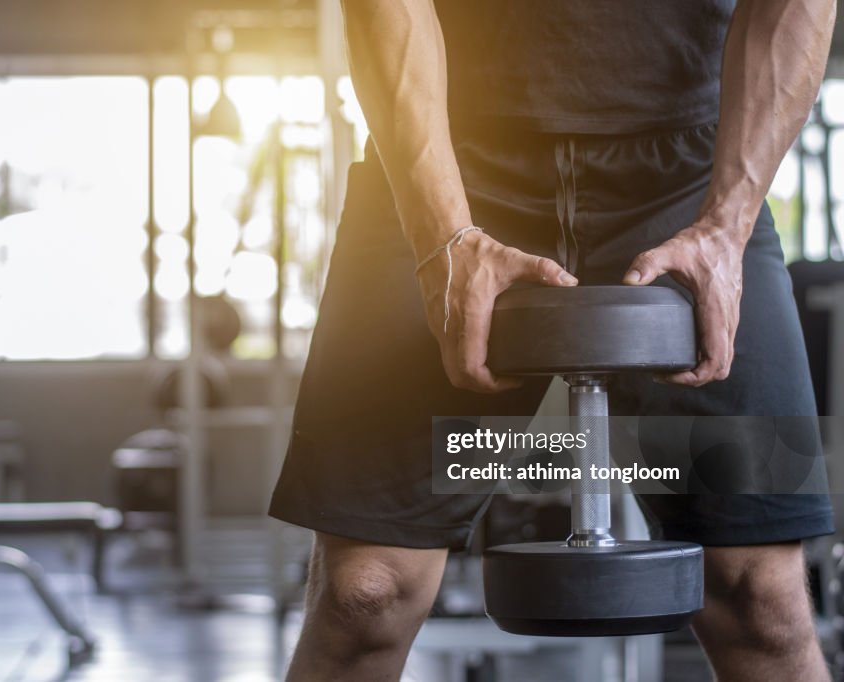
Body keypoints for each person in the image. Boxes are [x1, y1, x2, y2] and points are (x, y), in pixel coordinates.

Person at [269, 1, 838, 679]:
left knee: (763, 601)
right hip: (449, 158)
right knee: (365, 594)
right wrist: (445, 237)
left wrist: (728, 223)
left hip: (691, 176)